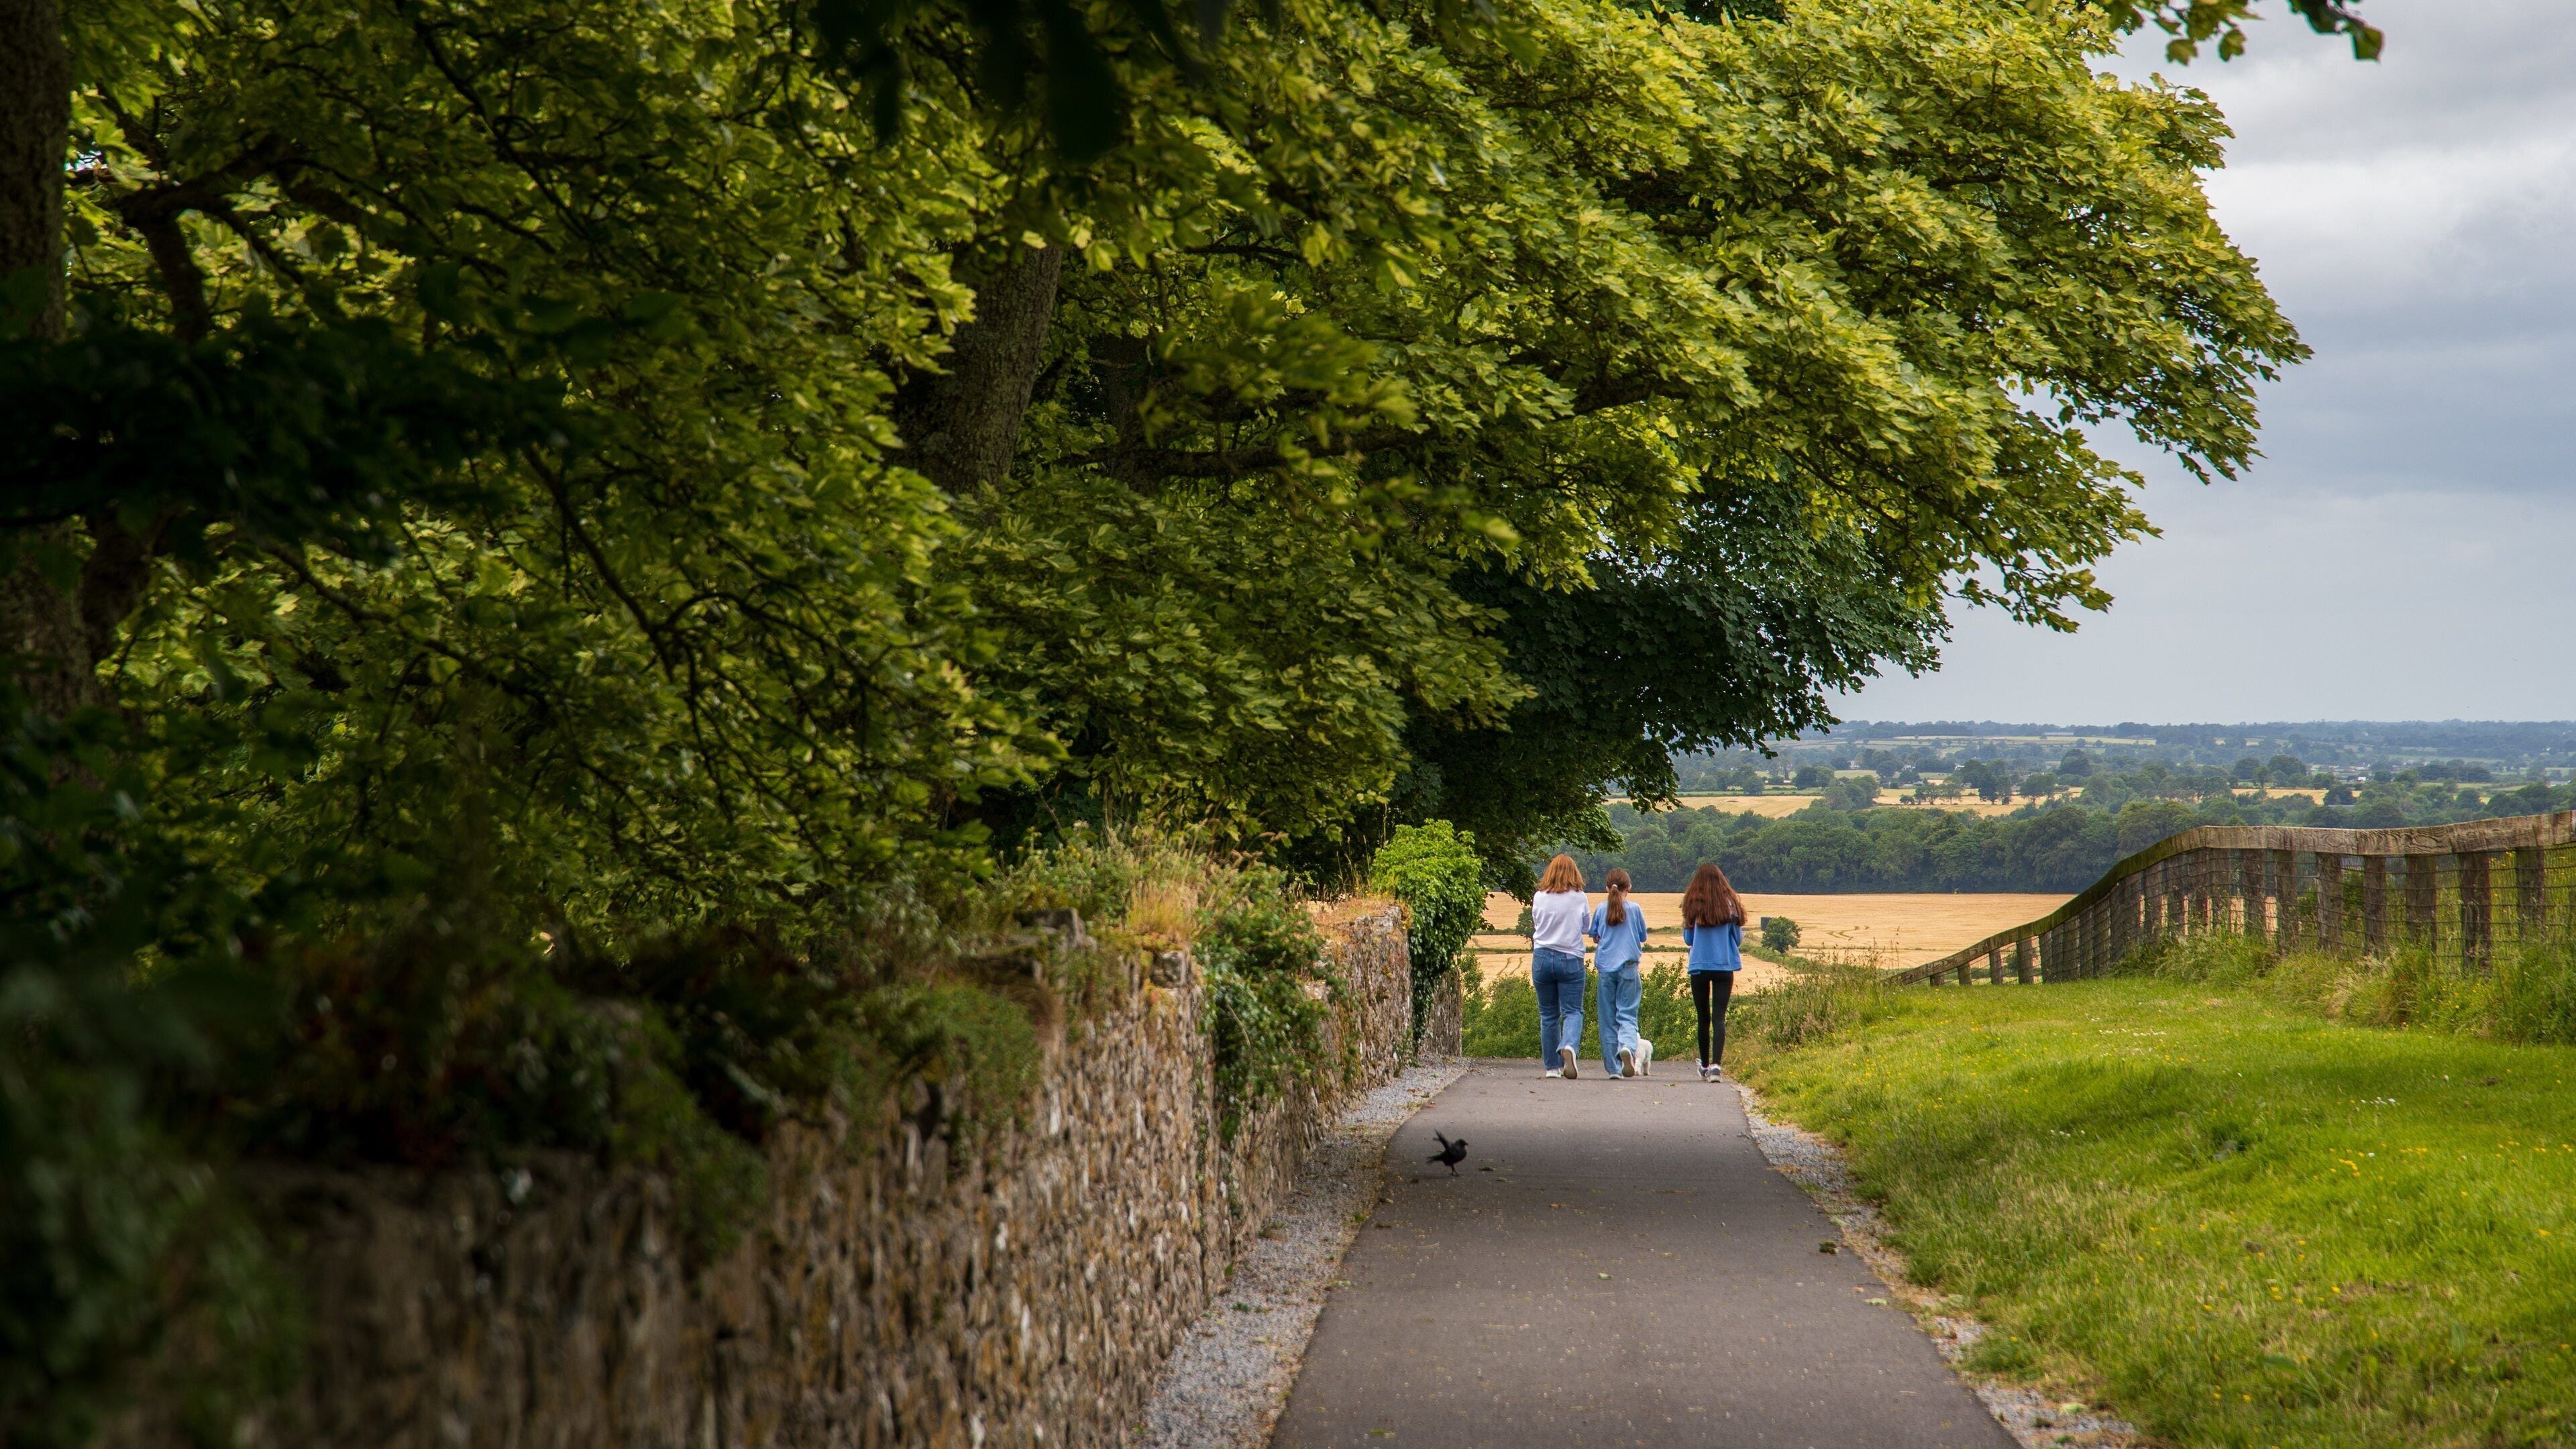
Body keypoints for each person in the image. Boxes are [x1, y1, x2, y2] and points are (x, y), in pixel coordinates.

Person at [1679, 861, 1746, 1083]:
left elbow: (1688, 939)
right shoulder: (1730, 905)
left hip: (1699, 966)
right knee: (1719, 1017)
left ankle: (1704, 1065)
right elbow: (1738, 939)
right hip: (1724, 967)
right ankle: (1717, 1066)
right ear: (1721, 881)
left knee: (1702, 1018)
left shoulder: (1693, 905)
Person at [1587, 868, 1651, 1078]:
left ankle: (1613, 1069)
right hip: (1629, 967)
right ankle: (1627, 1048)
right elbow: (1642, 936)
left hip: (1606, 968)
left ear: (1607, 888)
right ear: (1629, 888)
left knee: (1607, 1019)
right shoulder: (1635, 909)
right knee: (1628, 1015)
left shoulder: (1600, 909)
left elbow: (1594, 935)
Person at [1529, 854, 1590, 1079]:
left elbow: (1537, 922)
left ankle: (1552, 1068)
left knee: (1548, 1014)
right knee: (1573, 1011)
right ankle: (1569, 1046)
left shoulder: (1539, 896)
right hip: (1570, 958)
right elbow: (1586, 927)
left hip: (1542, 957)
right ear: (1574, 873)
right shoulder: (1579, 897)